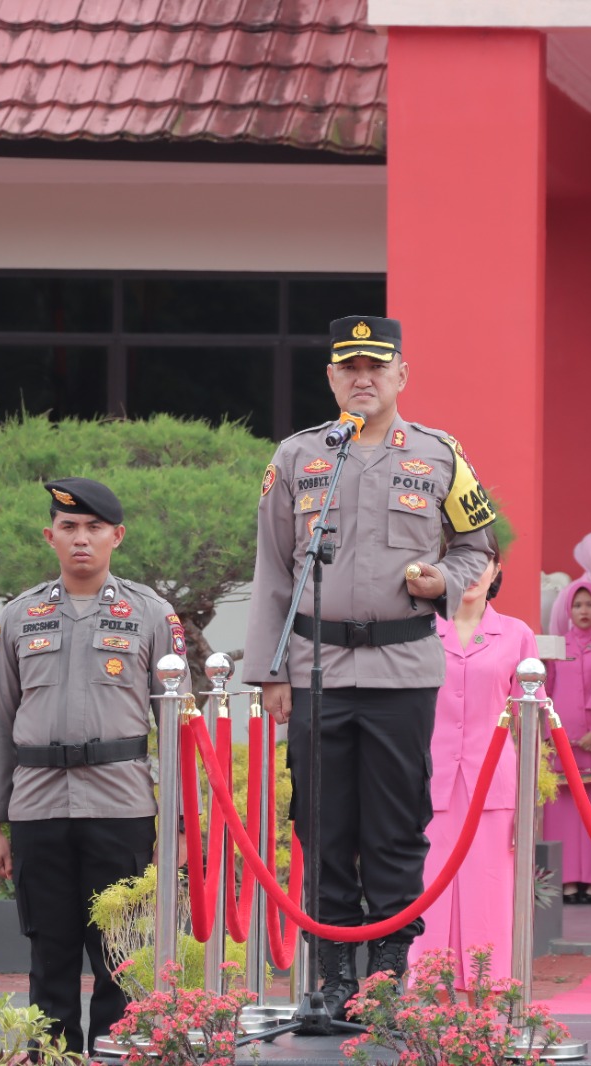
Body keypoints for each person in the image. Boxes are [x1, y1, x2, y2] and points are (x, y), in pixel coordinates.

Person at [243, 315, 496, 1017]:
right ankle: (331, 979)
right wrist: (271, 671)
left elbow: (479, 546)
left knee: (393, 827)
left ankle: (386, 975)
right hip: (317, 666)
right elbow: (272, 569)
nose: (363, 378)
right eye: (349, 367)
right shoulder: (298, 458)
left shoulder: (441, 456)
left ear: (401, 376)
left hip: (402, 669)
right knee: (321, 826)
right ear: (330, 377)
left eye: (376, 367)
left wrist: (440, 581)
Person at [0, 478, 188, 1056]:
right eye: (69, 528)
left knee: (121, 955)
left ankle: (117, 1054)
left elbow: (180, 729)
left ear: (117, 536)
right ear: (50, 537)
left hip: (122, 807)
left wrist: (182, 825)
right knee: (51, 950)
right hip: (38, 808)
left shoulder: (151, 615)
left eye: (94, 528)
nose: (81, 539)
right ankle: (54, 1056)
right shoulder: (16, 618)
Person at [413, 533, 538, 984]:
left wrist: (530, 801)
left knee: (489, 888)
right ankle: (427, 987)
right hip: (430, 781)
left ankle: (489, 985)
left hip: (495, 784)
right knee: (429, 886)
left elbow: (532, 722)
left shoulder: (517, 634)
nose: (471, 574)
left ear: (496, 572)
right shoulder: (422, 628)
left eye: (482, 563)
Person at [544, 580, 591, 904]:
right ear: (568, 610)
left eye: (589, 604)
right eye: (577, 605)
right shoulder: (557, 647)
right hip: (561, 743)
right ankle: (566, 879)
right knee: (561, 814)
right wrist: (550, 734)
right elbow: (545, 693)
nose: (583, 611)